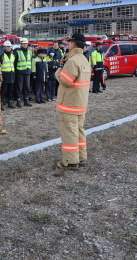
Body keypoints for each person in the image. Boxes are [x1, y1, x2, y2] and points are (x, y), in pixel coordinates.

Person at [55, 33, 91, 170]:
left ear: (74, 44)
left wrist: (59, 70)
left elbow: (65, 81)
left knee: (70, 133)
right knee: (79, 131)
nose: (67, 45)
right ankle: (81, 158)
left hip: (69, 104)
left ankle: (70, 161)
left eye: (69, 43)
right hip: (80, 104)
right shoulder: (83, 60)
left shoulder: (72, 61)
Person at [14, 37, 33, 107]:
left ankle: (26, 100)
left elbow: (30, 61)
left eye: (26, 44)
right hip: (20, 72)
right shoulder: (18, 52)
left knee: (27, 87)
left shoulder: (30, 52)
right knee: (19, 87)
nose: (25, 45)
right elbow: (15, 62)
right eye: (23, 44)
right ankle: (18, 101)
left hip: (27, 72)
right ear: (21, 44)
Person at [0, 41, 16, 109]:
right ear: (4, 47)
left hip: (11, 74)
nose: (8, 48)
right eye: (7, 47)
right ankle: (2, 103)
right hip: (5, 74)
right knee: (4, 90)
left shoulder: (13, 56)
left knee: (11, 90)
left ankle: (10, 102)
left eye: (9, 47)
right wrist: (1, 75)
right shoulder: (2, 56)